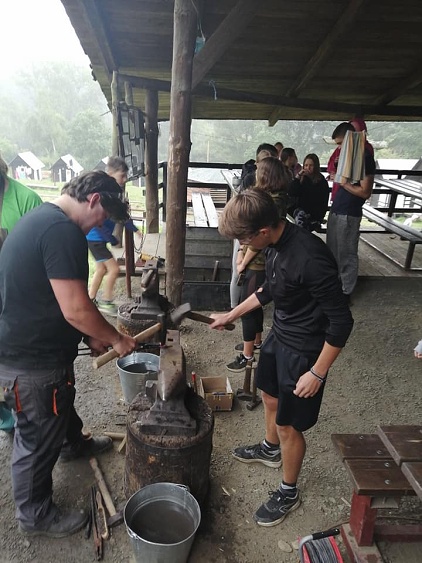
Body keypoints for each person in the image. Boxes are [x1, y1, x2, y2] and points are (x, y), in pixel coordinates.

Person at [0, 171, 137, 538]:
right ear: (93, 199)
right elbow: (76, 309)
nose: (101, 226)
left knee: (60, 399)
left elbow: (59, 298)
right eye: (103, 217)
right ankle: (35, 515)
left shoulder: (43, 219)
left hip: (35, 349)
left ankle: (71, 443)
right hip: (30, 360)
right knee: (36, 435)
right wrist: (116, 339)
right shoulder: (61, 231)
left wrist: (91, 335)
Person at [210, 189, 353, 527]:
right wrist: (232, 315)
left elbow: (342, 322)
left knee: (289, 425)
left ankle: (289, 491)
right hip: (280, 335)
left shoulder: (310, 258)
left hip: (305, 350)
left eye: (245, 239)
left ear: (263, 230)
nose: (243, 246)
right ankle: (269, 448)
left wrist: (317, 372)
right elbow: (270, 289)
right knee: (269, 397)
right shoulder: (273, 244)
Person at [0, 157, 43, 434]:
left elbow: (41, 258)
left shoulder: (26, 201)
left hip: (21, 298)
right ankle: (8, 422)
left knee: (41, 373)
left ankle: (66, 434)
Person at [326, 122, 376, 300]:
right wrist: (337, 177)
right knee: (332, 250)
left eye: (341, 143)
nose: (339, 148)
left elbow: (365, 192)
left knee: (346, 253)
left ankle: (346, 291)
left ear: (350, 139)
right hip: (337, 208)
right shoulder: (347, 158)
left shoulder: (365, 157)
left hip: (349, 212)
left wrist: (343, 183)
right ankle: (335, 286)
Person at [87, 156, 141, 316]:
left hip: (97, 239)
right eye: (122, 175)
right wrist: (111, 239)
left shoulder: (114, 192)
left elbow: (121, 217)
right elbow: (98, 223)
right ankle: (106, 301)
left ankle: (90, 299)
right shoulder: (105, 193)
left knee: (101, 269)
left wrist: (135, 229)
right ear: (110, 173)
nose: (124, 179)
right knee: (114, 269)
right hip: (95, 238)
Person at [288, 153, 329, 231]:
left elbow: (323, 201)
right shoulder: (302, 179)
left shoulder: (321, 181)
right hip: (301, 212)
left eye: (311, 165)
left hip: (314, 214)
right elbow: (292, 192)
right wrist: (298, 176)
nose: (308, 168)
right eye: (306, 165)